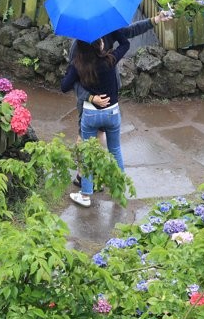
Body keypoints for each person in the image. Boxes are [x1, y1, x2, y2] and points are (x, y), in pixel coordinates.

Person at [60, 12, 172, 208]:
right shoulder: (80, 47)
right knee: (92, 141)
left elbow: (128, 32)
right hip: (93, 102)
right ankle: (86, 177)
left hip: (101, 105)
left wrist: (154, 20)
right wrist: (90, 97)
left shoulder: (106, 30)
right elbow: (75, 82)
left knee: (94, 141)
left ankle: (88, 183)